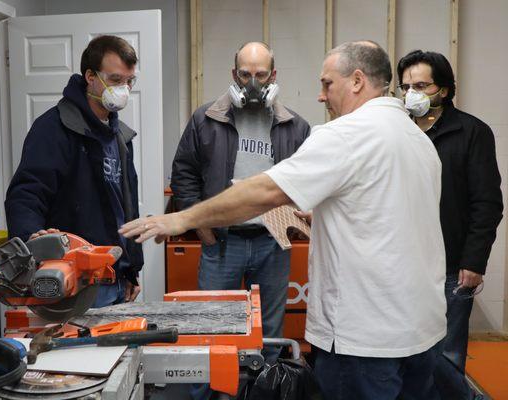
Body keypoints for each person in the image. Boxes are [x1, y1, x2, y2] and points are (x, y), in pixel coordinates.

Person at [121, 41, 447, 400]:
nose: (322, 96)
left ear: (357, 81)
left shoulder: (345, 134)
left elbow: (264, 192)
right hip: (420, 332)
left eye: (327, 84)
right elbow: (377, 208)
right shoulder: (417, 138)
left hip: (365, 341)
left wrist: (183, 218)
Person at [170, 41, 310, 364]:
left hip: (272, 245)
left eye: (261, 74)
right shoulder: (206, 119)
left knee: (270, 333)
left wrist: (296, 225)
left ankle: (265, 388)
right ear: (234, 75)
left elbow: (307, 181)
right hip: (222, 243)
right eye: (245, 74)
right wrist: (201, 226)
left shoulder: (295, 126)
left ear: (274, 75)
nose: (254, 83)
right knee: (213, 329)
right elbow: (183, 174)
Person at [5, 35, 143, 307]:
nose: (124, 89)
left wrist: (131, 269)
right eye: (115, 80)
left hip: (115, 280)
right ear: (90, 77)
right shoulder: (54, 128)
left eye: (129, 81)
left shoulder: (120, 137)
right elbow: (26, 193)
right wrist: (32, 238)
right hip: (74, 281)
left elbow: (126, 211)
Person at [398, 50, 503, 400]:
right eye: (406, 86)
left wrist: (473, 262)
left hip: (451, 268)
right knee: (404, 355)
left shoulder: (472, 132)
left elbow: (487, 204)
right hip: (401, 266)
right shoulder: (397, 133)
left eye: (422, 85)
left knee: (447, 356)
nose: (412, 93)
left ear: (444, 89)